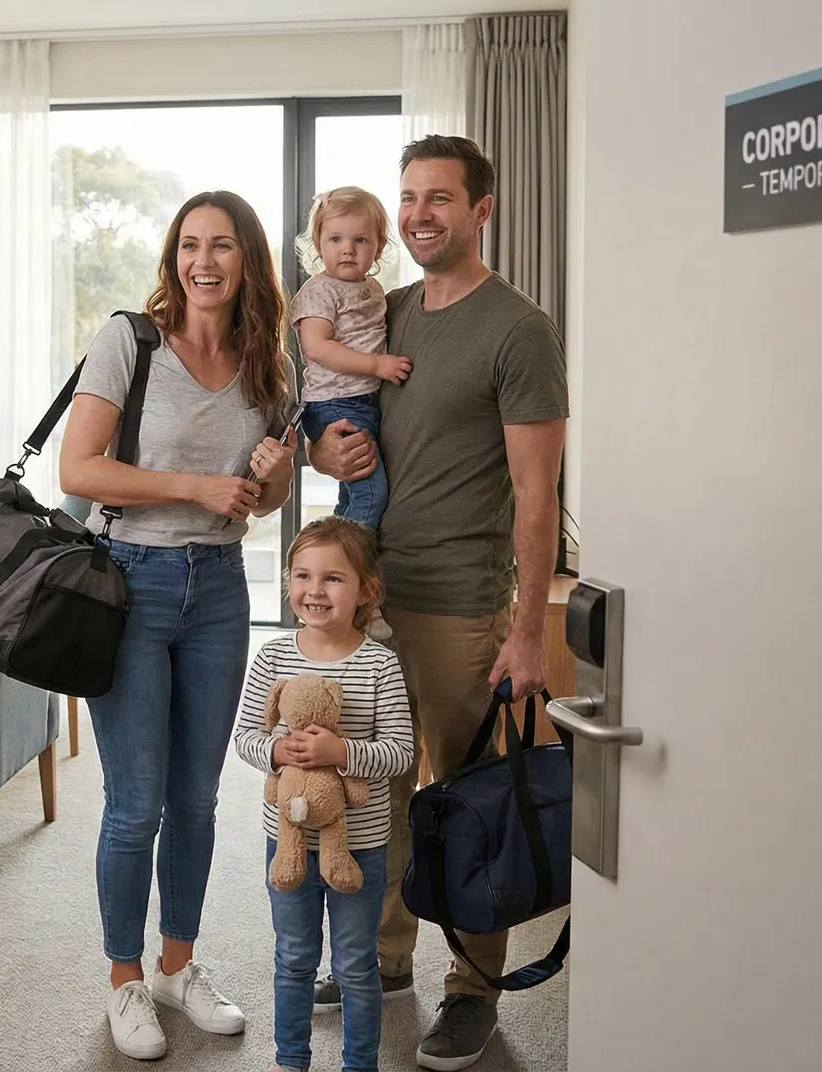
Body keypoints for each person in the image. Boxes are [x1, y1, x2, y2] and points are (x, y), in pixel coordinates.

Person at [306, 135, 568, 1071]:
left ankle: (474, 990)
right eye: (408, 197)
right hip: (372, 598)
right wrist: (320, 454)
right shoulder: (389, 311)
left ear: (482, 209)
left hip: (461, 601)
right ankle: (384, 961)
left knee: (463, 801)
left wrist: (527, 629)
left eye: (440, 199)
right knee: (375, 790)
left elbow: (538, 494)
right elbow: (339, 413)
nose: (418, 214)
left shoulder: (518, 329)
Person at [58, 189, 298, 1062]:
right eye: (190, 244)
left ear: (247, 262)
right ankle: (124, 982)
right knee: (135, 806)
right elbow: (78, 469)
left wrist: (270, 474)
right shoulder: (132, 341)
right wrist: (195, 488)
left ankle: (176, 966)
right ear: (174, 258)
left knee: (197, 798)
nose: (205, 260)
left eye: (223, 246)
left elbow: (264, 504)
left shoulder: (270, 360)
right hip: (129, 583)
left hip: (221, 589)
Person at [232, 517, 414, 1072]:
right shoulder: (272, 657)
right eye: (303, 575)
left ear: (366, 590)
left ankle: (360, 1063)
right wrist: (278, 753)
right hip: (285, 843)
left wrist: (342, 754)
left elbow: (402, 753)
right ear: (288, 582)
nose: (315, 590)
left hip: (359, 845)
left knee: (357, 964)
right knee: (292, 958)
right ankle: (292, 1059)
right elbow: (245, 737)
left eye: (334, 578)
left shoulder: (379, 662)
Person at [289, 186, 412, 534]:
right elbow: (317, 347)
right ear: (318, 245)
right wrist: (377, 365)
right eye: (335, 239)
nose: (347, 249)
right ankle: (352, 560)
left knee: (351, 492)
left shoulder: (373, 290)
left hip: (361, 402)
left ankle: (337, 548)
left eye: (360, 240)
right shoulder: (319, 291)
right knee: (371, 494)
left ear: (379, 248)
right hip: (334, 404)